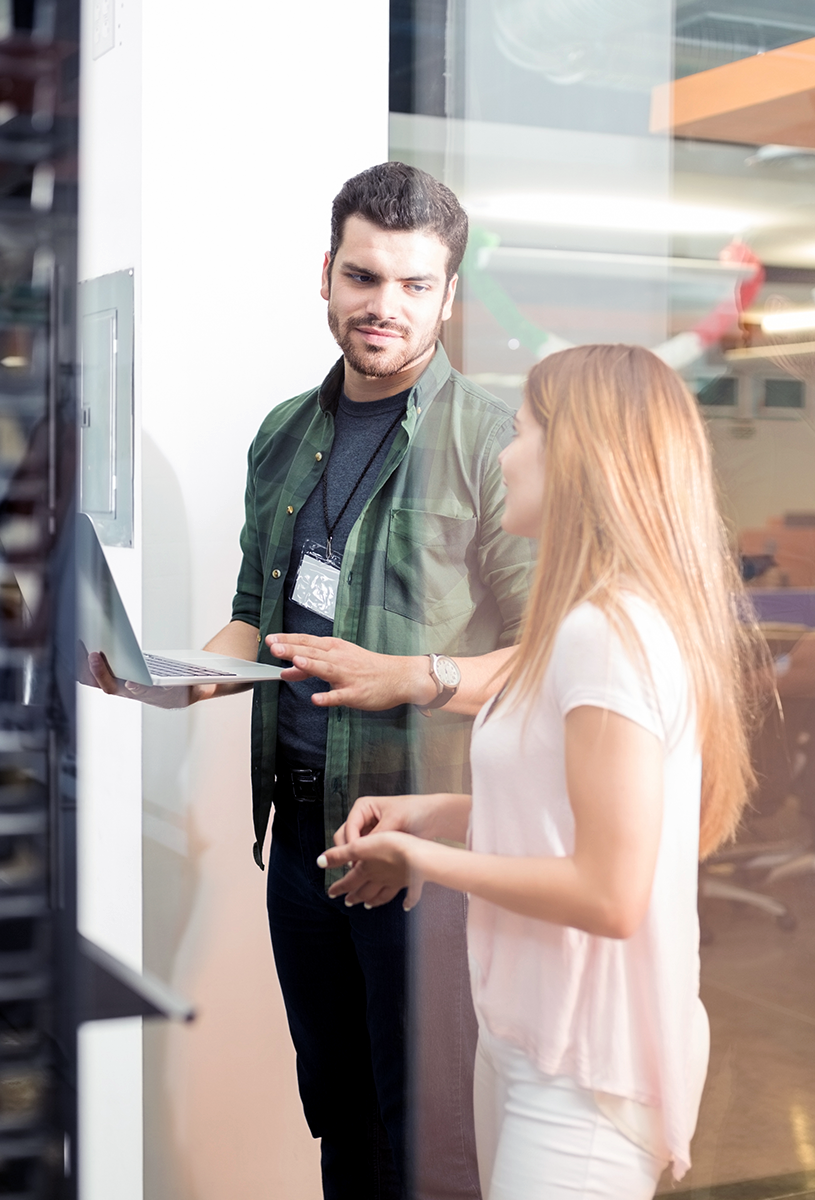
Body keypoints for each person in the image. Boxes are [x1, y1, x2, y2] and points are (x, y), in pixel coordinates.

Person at [91, 162, 535, 1199]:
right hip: (300, 836)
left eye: (414, 286)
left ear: (449, 296)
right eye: (365, 277)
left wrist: (416, 677)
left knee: (427, 1136)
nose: (385, 307)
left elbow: (544, 655)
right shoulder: (283, 433)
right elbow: (257, 613)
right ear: (327, 274)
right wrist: (173, 679)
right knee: (337, 1111)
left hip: (419, 847)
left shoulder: (492, 444)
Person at [320, 344, 763, 1198]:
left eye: (521, 433)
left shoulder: (609, 636)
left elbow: (609, 891)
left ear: (576, 457)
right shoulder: (581, 625)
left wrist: (421, 863)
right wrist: (438, 813)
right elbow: (562, 810)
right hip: (528, 1036)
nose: (503, 454)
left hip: (584, 1068)